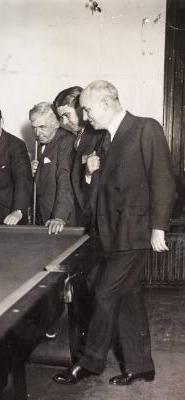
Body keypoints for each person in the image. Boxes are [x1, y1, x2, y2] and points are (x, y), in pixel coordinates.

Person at [53, 80, 176, 386]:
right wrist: (89, 172)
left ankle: (90, 361)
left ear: (106, 104)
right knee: (127, 295)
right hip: (111, 231)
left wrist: (159, 227)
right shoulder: (103, 137)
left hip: (135, 231)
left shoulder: (145, 128)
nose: (85, 115)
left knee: (106, 292)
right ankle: (140, 365)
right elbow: (99, 193)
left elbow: (163, 180)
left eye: (88, 108)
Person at [53, 86, 102, 228]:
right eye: (60, 117)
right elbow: (67, 181)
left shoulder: (100, 136)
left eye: (66, 115)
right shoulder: (72, 139)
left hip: (96, 221)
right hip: (79, 220)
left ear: (81, 108)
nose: (63, 122)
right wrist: (60, 217)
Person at [29, 102, 75, 234]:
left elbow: (65, 182)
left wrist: (59, 217)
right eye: (34, 127)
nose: (37, 133)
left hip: (59, 222)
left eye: (42, 127)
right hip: (43, 217)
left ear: (56, 124)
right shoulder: (45, 141)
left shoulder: (67, 141)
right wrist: (34, 173)